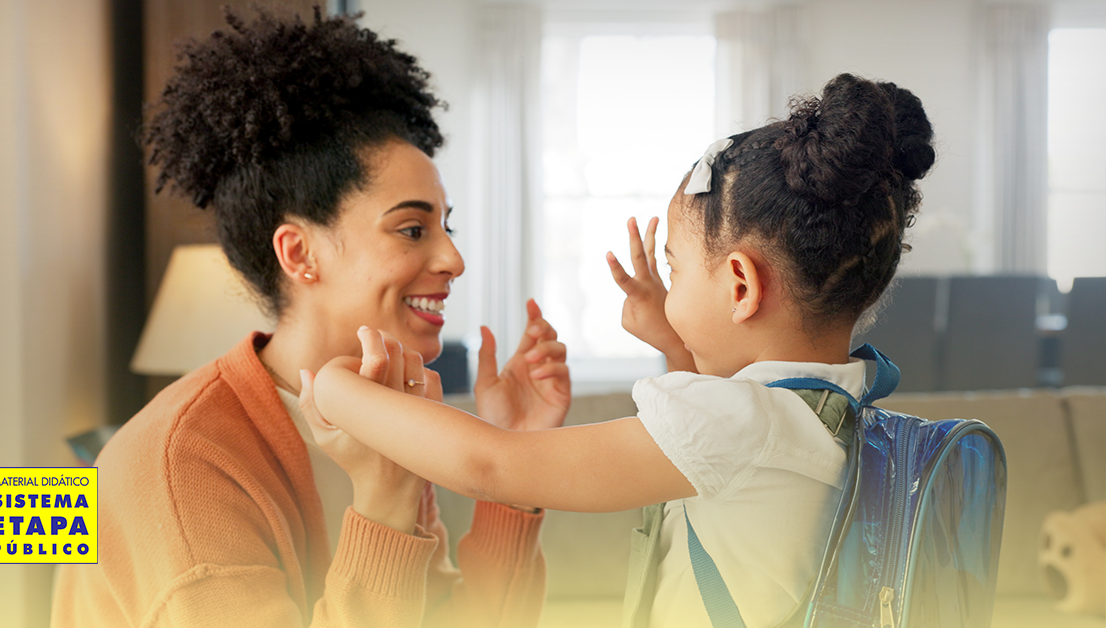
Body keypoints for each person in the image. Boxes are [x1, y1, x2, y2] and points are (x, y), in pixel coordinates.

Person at [305, 73, 936, 627]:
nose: (669, 289)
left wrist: (338, 389)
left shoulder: (738, 428)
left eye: (677, 270)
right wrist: (672, 334)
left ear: (741, 286)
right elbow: (729, 436)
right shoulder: (836, 407)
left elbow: (490, 465)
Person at [51, 8, 570, 628]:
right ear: (300, 253)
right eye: (412, 229)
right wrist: (383, 499)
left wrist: (519, 459)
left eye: (445, 226)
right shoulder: (181, 461)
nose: (453, 258)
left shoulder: (384, 407)